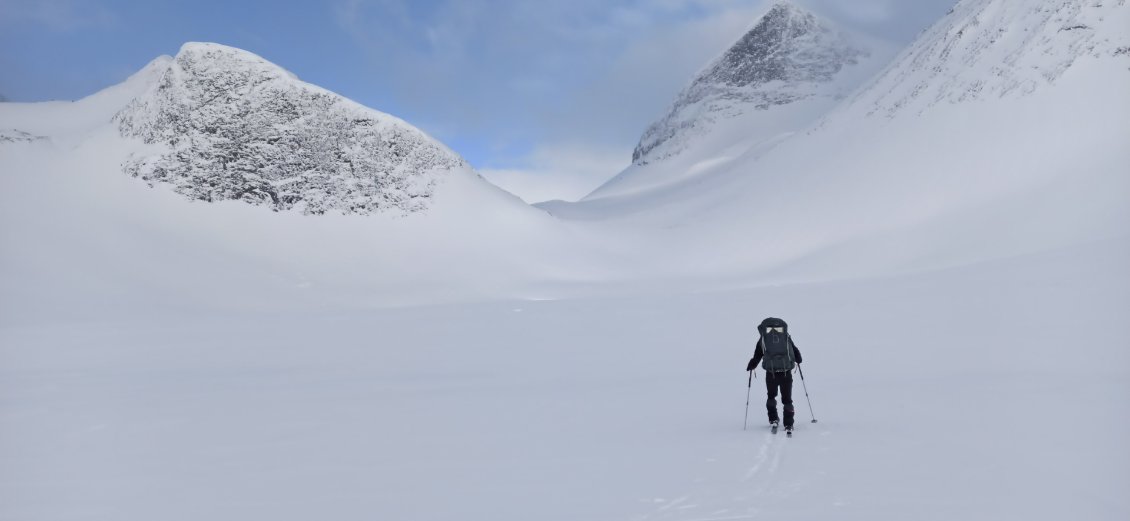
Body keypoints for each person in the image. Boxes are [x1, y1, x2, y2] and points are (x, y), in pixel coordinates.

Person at [745, 317, 803, 431]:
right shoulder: (785, 337)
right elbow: (795, 351)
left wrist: (752, 365)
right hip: (786, 372)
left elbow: (757, 355)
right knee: (787, 399)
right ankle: (789, 424)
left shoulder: (764, 339)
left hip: (771, 373)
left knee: (771, 396)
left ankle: (773, 419)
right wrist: (798, 359)